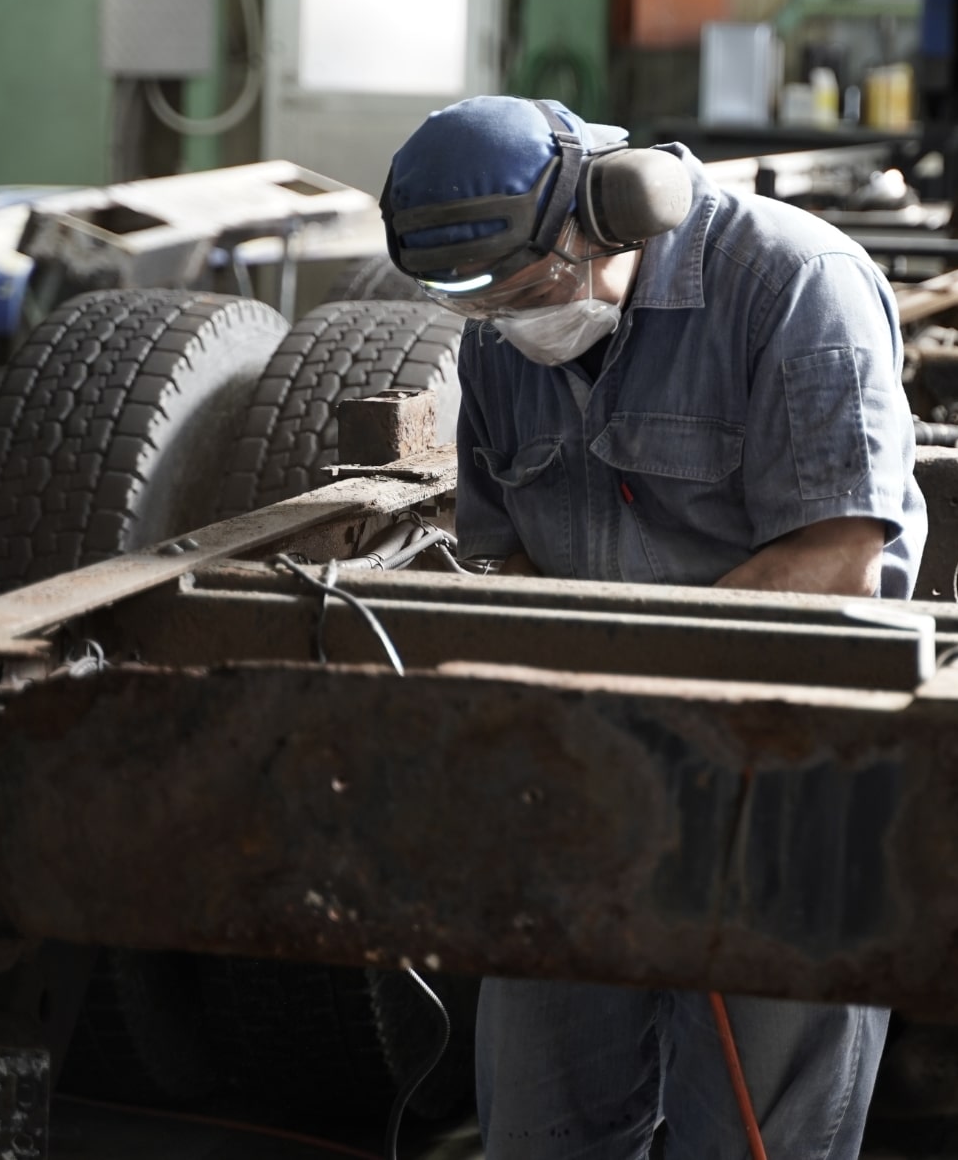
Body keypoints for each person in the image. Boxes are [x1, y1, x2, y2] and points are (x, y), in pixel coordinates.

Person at [380, 95, 927, 1160]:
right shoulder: (501, 345)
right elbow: (505, 553)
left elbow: (839, 559)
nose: (511, 319)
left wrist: (641, 697)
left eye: (531, 288)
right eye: (479, 306)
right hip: (580, 775)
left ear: (618, 211)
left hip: (782, 774)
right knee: (541, 1127)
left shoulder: (793, 286)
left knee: (758, 1141)